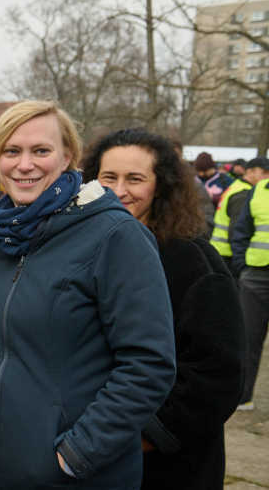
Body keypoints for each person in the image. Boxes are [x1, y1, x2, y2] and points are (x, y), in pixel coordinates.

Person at [0, 101, 176, 488]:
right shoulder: (5, 234)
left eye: (41, 151)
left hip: (68, 476)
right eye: (12, 151)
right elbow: (8, 348)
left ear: (68, 156)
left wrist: (76, 454)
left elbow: (148, 364)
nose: (25, 164)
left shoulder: (116, 236)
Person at [83, 128, 244, 489]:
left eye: (135, 178)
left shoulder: (195, 263)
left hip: (164, 468)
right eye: (108, 177)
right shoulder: (80, 254)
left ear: (162, 186)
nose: (119, 190)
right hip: (86, 456)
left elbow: (217, 375)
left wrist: (146, 437)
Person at [229, 167, 269, 411]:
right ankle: (243, 397)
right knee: (248, 338)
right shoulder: (258, 191)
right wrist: (243, 265)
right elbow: (241, 231)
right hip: (256, 277)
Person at [211, 157, 269, 273]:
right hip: (229, 255)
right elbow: (237, 229)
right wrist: (241, 262)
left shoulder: (236, 186)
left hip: (220, 251)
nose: (267, 177)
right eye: (264, 172)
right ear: (249, 171)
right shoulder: (243, 193)